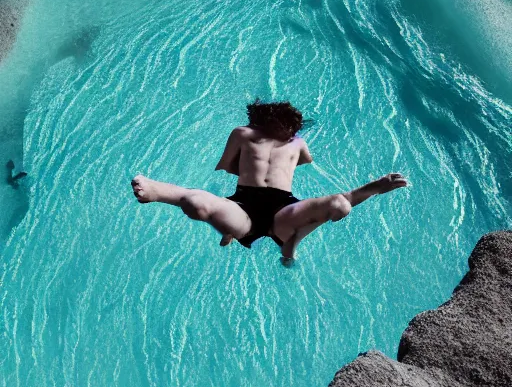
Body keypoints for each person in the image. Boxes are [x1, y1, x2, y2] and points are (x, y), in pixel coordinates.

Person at [131, 100, 407, 266]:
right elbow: (224, 165)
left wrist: (378, 184)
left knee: (339, 205)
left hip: (283, 210)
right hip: (244, 204)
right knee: (195, 203)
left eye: (293, 128)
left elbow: (306, 165)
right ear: (271, 120)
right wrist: (250, 169)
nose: (291, 132)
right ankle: (156, 192)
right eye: (287, 126)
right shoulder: (243, 133)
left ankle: (289, 242)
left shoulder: (298, 144)